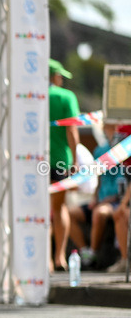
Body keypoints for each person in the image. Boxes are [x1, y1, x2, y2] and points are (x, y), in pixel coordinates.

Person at [70, 124, 125, 268]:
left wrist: (113, 199)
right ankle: (85, 251)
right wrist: (95, 197)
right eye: (106, 125)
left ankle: (92, 255)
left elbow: (125, 182)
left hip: (116, 201)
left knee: (99, 213)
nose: (109, 129)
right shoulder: (99, 150)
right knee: (70, 213)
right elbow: (99, 178)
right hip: (101, 200)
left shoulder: (125, 149)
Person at [48, 59, 80, 272]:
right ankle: (60, 257)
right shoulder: (66, 97)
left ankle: (45, 259)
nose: (61, 80)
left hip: (33, 160)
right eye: (60, 76)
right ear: (54, 76)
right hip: (60, 160)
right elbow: (72, 130)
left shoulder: (28, 98)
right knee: (59, 208)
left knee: (38, 210)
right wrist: (76, 159)